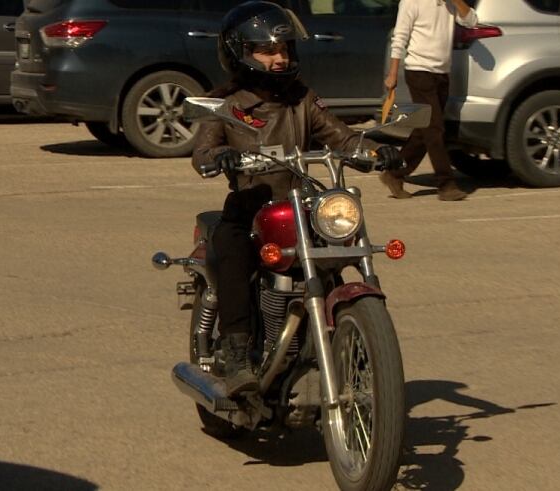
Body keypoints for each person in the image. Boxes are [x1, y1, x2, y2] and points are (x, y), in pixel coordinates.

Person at [192, 1, 404, 396]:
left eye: (284, 49)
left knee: (337, 241)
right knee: (233, 249)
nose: (279, 58)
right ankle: (237, 353)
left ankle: (360, 348)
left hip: (300, 202)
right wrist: (219, 156)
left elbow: (341, 137)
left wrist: (376, 151)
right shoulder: (227, 104)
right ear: (242, 53)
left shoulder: (302, 98)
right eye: (269, 50)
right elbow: (202, 151)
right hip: (250, 205)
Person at [381, 0, 478, 201]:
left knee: (423, 130)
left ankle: (394, 173)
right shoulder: (411, 2)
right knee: (435, 129)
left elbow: (472, 21)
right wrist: (392, 74)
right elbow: (400, 38)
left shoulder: (450, 4)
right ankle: (446, 183)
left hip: (442, 73)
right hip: (419, 71)